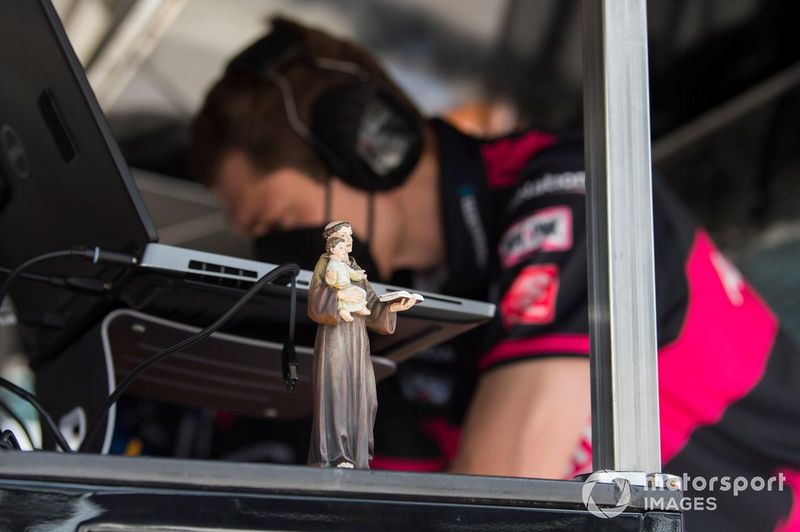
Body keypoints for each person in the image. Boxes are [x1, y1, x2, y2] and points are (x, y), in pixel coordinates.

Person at [189, 17, 800, 531]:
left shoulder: (571, 195)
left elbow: (500, 502)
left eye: (279, 221)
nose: (283, 253)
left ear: (366, 150)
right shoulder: (399, 302)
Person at [307, 220, 414, 469]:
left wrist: (392, 307)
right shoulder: (326, 266)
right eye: (345, 236)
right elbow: (315, 304)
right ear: (332, 241)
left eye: (350, 235)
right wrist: (338, 296)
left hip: (357, 336)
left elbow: (372, 304)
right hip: (335, 333)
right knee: (338, 392)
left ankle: (358, 456)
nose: (350, 240)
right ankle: (336, 455)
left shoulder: (354, 267)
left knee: (365, 395)